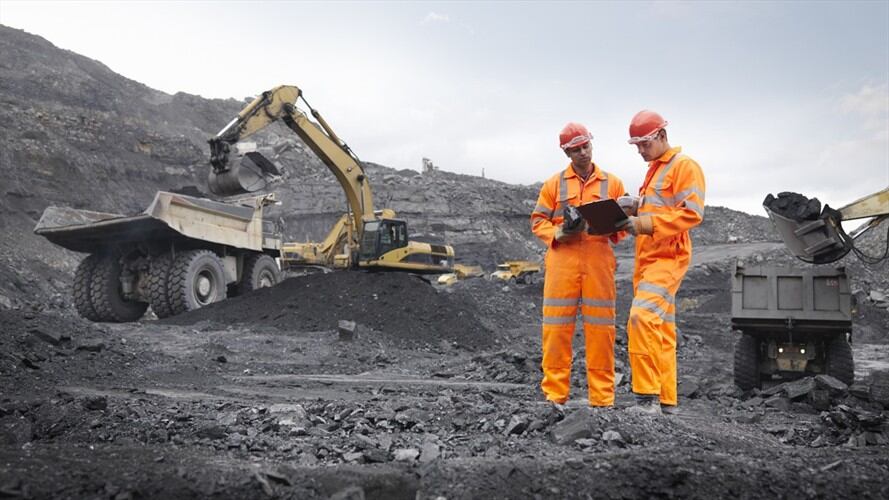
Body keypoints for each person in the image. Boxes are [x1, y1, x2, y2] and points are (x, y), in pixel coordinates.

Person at [530, 122, 627, 411]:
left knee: (601, 331)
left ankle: (602, 399)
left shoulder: (613, 183)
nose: (583, 153)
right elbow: (537, 221)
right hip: (563, 260)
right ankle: (555, 396)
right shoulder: (554, 185)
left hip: (598, 261)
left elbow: (621, 230)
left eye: (586, 146)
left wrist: (609, 223)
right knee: (557, 330)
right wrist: (558, 233)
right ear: (566, 152)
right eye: (576, 150)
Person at [618, 110, 706, 415]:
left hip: (668, 257)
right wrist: (635, 207)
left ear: (662, 136)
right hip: (648, 258)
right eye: (637, 146)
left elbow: (691, 213)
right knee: (661, 329)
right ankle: (667, 401)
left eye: (644, 144)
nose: (640, 150)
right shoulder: (656, 169)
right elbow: (661, 206)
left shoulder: (684, 166)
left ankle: (646, 398)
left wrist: (643, 224)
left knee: (641, 318)